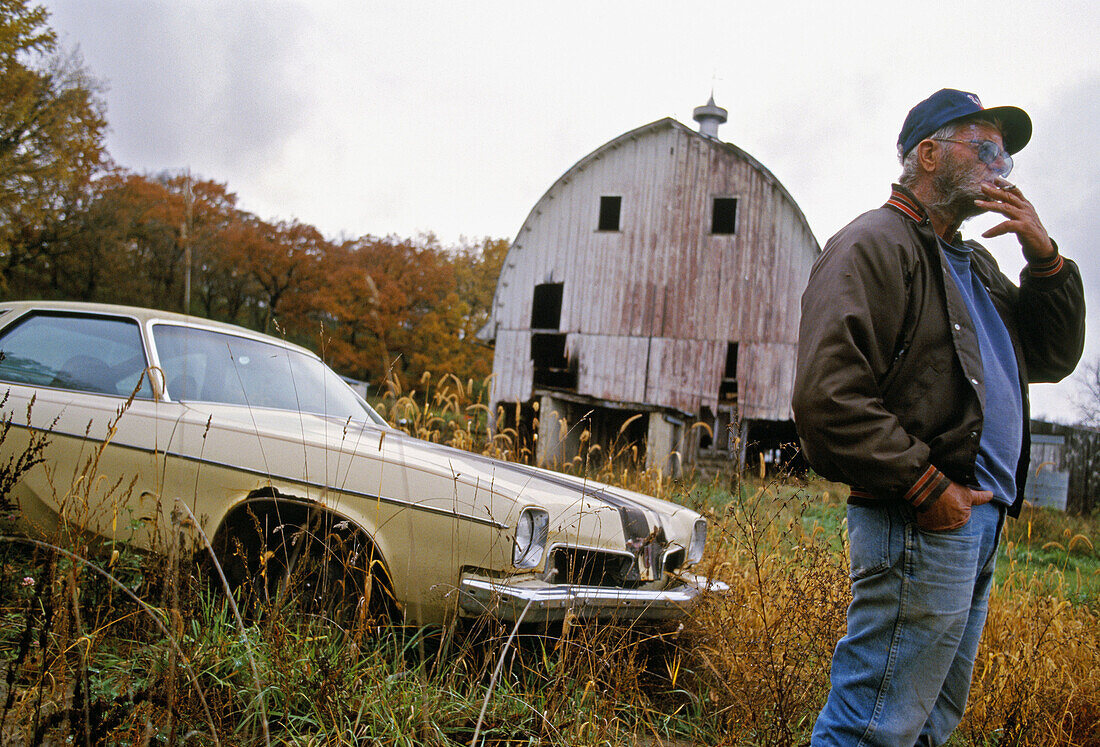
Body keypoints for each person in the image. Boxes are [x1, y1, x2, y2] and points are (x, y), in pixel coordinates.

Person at [792, 88, 1086, 746]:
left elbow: (1051, 354)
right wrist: (927, 486)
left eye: (1004, 158)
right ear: (927, 153)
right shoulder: (873, 243)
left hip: (975, 523)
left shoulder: (975, 263)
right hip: (923, 517)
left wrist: (1046, 259)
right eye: (984, 149)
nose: (1000, 168)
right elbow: (825, 398)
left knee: (927, 724)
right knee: (873, 723)